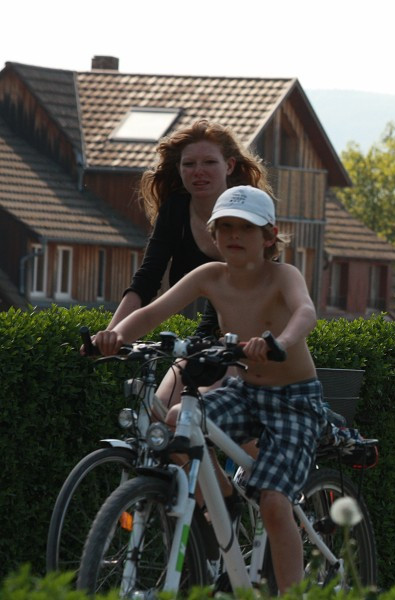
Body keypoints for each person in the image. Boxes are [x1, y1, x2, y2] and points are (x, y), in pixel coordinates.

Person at [93, 186, 325, 593]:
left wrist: (280, 343)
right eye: (225, 228)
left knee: (273, 502)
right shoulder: (209, 276)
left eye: (246, 229)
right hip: (246, 393)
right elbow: (151, 312)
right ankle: (223, 496)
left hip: (294, 402)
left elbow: (306, 310)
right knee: (178, 422)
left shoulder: (282, 275)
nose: (234, 236)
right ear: (214, 235)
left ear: (269, 236)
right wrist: (110, 338)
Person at [106, 119, 274, 411]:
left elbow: (256, 290)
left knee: (196, 414)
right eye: (189, 164)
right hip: (210, 335)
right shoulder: (175, 210)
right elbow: (147, 279)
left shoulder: (247, 214)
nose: (198, 172)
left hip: (253, 336)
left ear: (230, 166)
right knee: (158, 412)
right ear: (179, 169)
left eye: (209, 162)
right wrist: (110, 336)